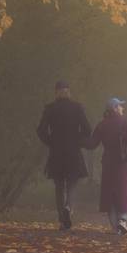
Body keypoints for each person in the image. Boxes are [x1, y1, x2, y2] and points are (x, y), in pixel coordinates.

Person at [35, 80, 91, 230]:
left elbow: (40, 130)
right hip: (73, 152)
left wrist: (51, 142)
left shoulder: (50, 109)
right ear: (69, 91)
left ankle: (62, 220)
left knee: (59, 186)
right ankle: (68, 207)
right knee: (72, 183)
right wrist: (77, 139)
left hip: (56, 153)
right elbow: (87, 129)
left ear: (56, 92)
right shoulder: (77, 108)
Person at [87, 97, 127, 235]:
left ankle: (116, 227)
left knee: (110, 196)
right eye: (120, 106)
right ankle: (122, 220)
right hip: (123, 163)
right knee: (124, 192)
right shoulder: (125, 123)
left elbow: (91, 144)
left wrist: (79, 136)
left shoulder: (102, 124)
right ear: (115, 108)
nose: (123, 108)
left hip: (108, 163)